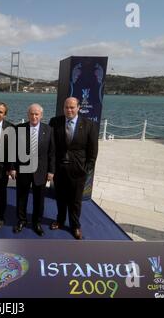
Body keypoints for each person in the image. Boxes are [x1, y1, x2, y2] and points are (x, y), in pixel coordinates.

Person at [49, 97, 99, 240]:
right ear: (63, 108)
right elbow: (51, 146)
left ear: (78, 108)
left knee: (75, 200)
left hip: (78, 170)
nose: (69, 110)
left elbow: (93, 150)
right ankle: (59, 220)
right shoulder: (55, 122)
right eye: (66, 107)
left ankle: (75, 225)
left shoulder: (89, 125)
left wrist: (87, 168)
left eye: (72, 107)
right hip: (59, 169)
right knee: (60, 198)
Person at [13, 103, 55, 236]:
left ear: (41, 115)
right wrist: (12, 168)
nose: (34, 116)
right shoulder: (19, 129)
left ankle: (37, 222)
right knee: (21, 197)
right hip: (23, 170)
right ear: (28, 115)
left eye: (37, 114)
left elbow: (52, 153)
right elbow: (13, 151)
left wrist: (51, 171)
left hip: (41, 171)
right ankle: (21, 220)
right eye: (31, 114)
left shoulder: (48, 130)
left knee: (39, 199)